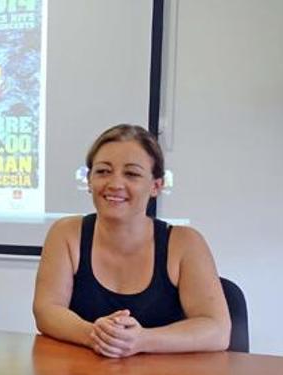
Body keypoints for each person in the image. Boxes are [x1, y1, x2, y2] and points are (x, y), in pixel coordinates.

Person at [33, 124, 230, 357]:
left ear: (156, 186)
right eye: (103, 171)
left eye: (132, 174)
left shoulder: (185, 243)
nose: (115, 184)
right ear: (89, 180)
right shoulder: (66, 233)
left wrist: (141, 340)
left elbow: (217, 330)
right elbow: (46, 310)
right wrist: (95, 334)